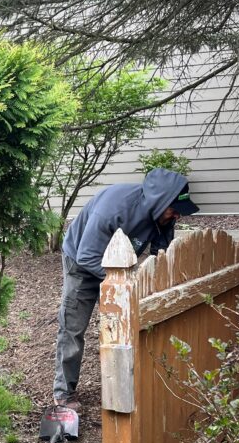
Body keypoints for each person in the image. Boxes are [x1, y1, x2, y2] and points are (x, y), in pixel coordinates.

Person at [53, 168, 200, 408]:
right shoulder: (113, 210)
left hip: (121, 266)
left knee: (125, 323)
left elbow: (160, 254)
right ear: (159, 202)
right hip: (81, 262)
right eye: (175, 210)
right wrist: (126, 281)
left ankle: (128, 379)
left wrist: (153, 283)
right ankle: (63, 393)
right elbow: (87, 257)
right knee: (73, 327)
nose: (178, 217)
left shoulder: (162, 216)